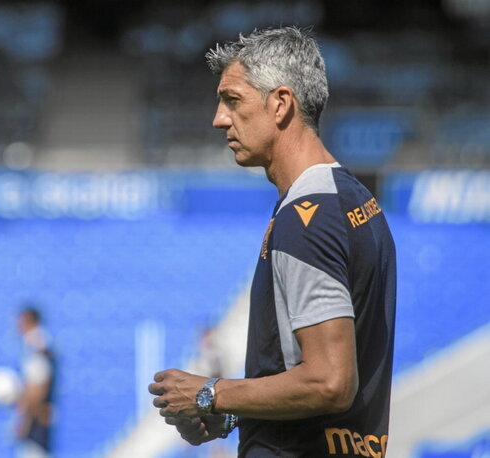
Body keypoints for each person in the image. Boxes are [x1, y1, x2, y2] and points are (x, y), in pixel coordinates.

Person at [148, 26, 396, 457]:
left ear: (281, 104)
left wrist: (211, 393)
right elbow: (309, 377)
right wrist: (232, 413)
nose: (219, 118)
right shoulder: (354, 200)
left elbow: (330, 382)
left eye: (232, 100)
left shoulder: (308, 219)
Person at [15, 306, 55, 458]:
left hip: (36, 423)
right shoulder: (42, 344)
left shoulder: (36, 346)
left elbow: (36, 388)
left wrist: (24, 422)